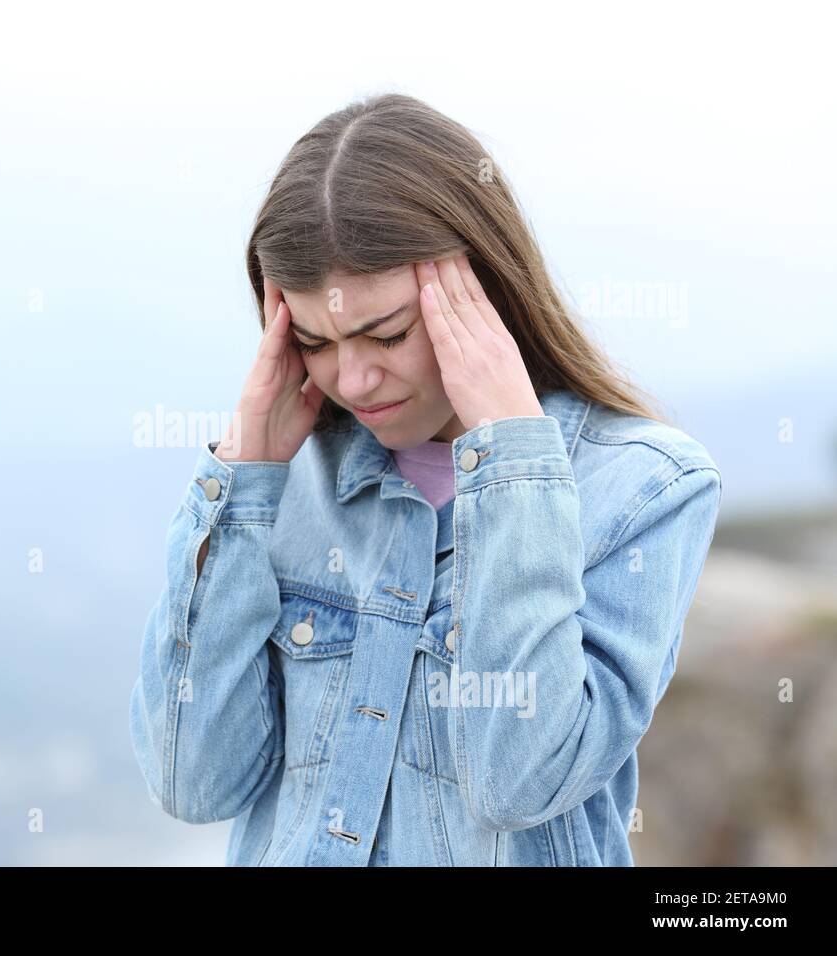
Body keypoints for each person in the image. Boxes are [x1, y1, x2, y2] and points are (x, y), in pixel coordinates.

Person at [128, 92, 722, 866]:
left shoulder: (644, 488)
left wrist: (510, 461)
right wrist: (239, 485)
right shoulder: (282, 490)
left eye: (388, 333)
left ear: (482, 290)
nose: (355, 378)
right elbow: (191, 783)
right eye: (314, 341)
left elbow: (519, 780)